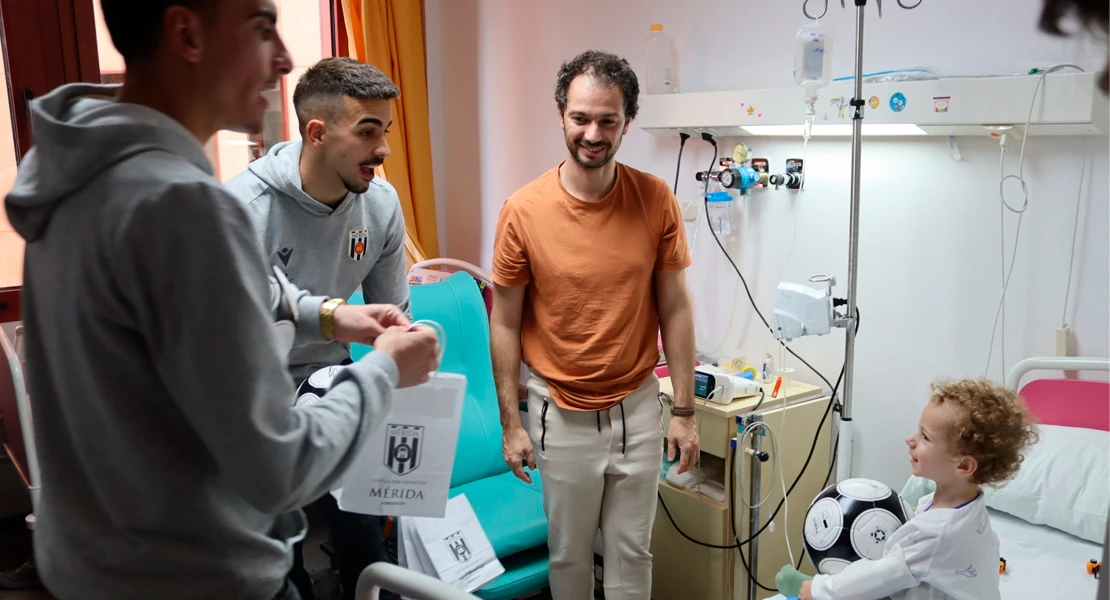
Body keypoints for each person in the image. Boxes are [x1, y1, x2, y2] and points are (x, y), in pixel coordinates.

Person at [2, 1, 439, 599]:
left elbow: (247, 286)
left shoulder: (84, 174)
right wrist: (385, 371)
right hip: (198, 577)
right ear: (186, 32)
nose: (283, 57)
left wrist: (331, 315)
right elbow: (277, 468)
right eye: (262, 29)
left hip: (95, 564)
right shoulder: (192, 209)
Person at [490, 50, 700, 600]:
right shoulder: (524, 210)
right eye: (581, 117)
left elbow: (675, 307)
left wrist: (684, 412)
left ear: (627, 122)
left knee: (633, 553)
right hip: (560, 413)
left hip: (636, 407)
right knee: (569, 556)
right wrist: (512, 424)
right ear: (561, 114)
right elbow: (505, 321)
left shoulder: (655, 200)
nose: (593, 132)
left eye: (608, 120)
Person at [225, 57, 408, 600]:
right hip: (252, 400)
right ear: (317, 132)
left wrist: (405, 350)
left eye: (387, 131)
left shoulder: (379, 205)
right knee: (278, 570)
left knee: (370, 545)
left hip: (332, 381)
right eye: (368, 132)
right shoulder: (242, 212)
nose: (384, 150)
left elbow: (392, 316)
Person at [776, 379, 1039, 600]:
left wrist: (817, 588)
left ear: (963, 465)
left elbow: (879, 576)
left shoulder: (937, 533)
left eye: (925, 437)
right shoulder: (969, 508)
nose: (910, 440)